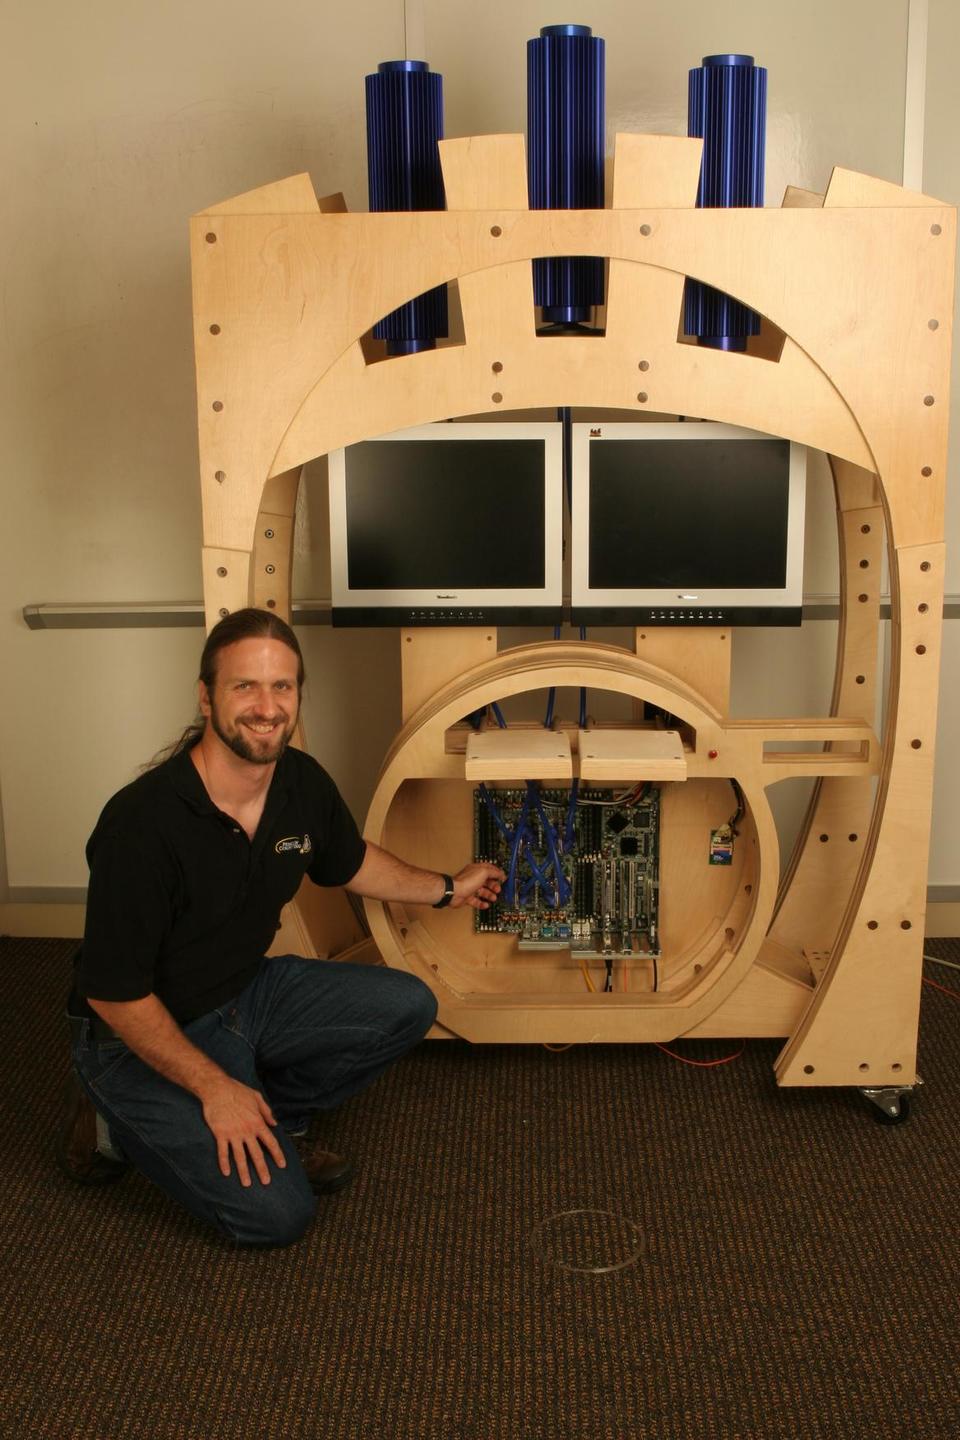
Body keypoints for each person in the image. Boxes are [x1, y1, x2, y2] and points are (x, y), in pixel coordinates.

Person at [59, 607, 504, 1247]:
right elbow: (115, 994)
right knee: (275, 1215)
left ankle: (278, 1119)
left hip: (245, 993)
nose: (266, 708)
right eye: (245, 686)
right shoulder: (141, 827)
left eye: (282, 687)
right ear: (206, 697)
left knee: (409, 1003)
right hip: (137, 1033)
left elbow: (349, 861)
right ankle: (112, 1119)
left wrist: (447, 888)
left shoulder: (300, 781)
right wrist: (216, 1089)